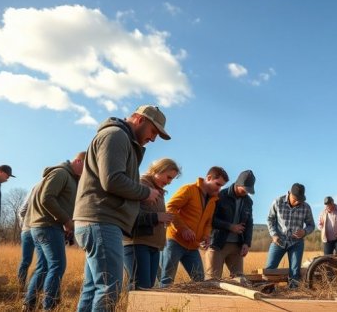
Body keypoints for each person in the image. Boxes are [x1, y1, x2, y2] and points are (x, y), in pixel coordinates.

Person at [73, 105, 170, 312]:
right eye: (153, 131)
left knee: (92, 288)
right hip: (101, 220)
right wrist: (146, 193)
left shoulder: (122, 138)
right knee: (110, 287)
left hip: (99, 221)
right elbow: (112, 180)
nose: (153, 139)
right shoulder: (116, 135)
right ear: (139, 119)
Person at [23, 152, 86, 311]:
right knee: (57, 266)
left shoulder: (70, 177)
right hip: (47, 227)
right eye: (86, 167)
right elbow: (47, 198)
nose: (86, 172)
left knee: (43, 267)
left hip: (45, 226)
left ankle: (29, 305)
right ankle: (48, 307)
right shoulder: (61, 173)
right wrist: (66, 220)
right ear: (78, 161)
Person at [160, 166, 229, 287]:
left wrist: (206, 236)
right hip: (174, 241)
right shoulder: (189, 189)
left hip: (192, 246)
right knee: (167, 279)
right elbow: (170, 207)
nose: (219, 189)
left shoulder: (213, 200)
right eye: (217, 184)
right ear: (208, 178)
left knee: (199, 280)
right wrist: (183, 229)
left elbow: (208, 222)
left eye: (221, 186)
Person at [123, 158, 180, 290]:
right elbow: (129, 214)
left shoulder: (159, 190)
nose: (169, 182)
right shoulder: (139, 184)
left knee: (148, 287)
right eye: (168, 177)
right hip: (137, 243)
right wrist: (157, 217)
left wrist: (162, 218)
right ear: (158, 170)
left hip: (154, 245)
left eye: (172, 179)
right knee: (140, 287)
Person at [205, 170, 256, 281]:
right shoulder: (220, 196)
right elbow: (210, 219)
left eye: (249, 190)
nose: (246, 192)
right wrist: (230, 226)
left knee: (240, 280)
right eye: (245, 189)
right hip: (217, 244)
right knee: (212, 280)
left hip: (237, 246)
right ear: (238, 184)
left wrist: (247, 243)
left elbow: (249, 223)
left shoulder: (248, 202)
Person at [265, 183, 315, 288]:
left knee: (295, 272)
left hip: (296, 243)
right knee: (269, 269)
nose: (297, 202)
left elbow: (311, 225)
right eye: (295, 199)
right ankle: (268, 290)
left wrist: (304, 232)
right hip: (278, 241)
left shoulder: (306, 207)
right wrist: (274, 235)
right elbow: (270, 219)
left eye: (300, 200)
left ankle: (293, 294)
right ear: (289, 193)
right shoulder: (277, 202)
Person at [17, 184, 39, 289]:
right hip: (38, 229)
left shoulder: (33, 188)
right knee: (42, 261)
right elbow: (22, 211)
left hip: (27, 230)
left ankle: (22, 286)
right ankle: (32, 286)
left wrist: (25, 224)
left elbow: (21, 211)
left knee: (25, 260)